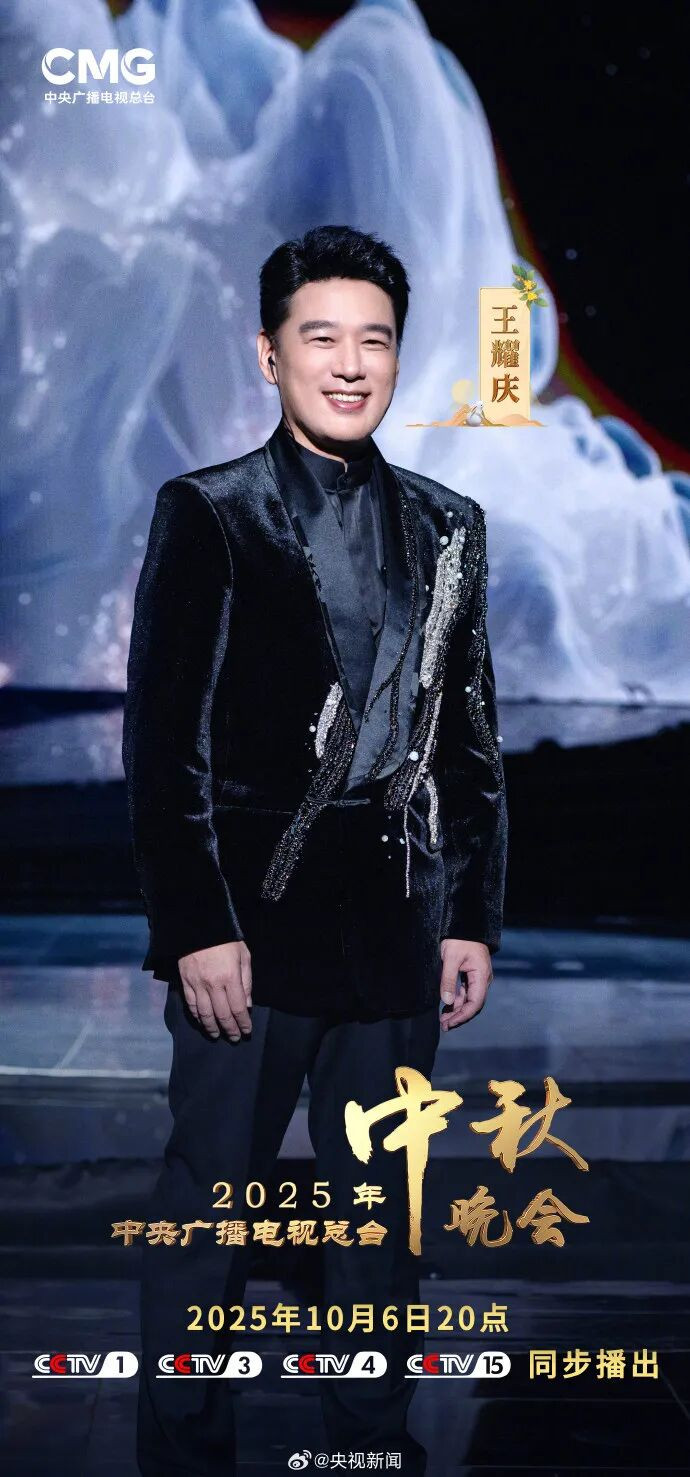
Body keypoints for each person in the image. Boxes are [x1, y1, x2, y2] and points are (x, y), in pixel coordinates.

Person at [122, 224, 508, 1476]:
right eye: (321, 337)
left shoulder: (450, 524)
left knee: (379, 1221)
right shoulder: (211, 513)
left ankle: (371, 1448)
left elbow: (471, 741)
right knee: (210, 1215)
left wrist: (471, 915)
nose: (350, 364)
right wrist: (197, 926)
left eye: (374, 340)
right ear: (270, 353)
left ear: (399, 355)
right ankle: (186, 1452)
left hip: (395, 932)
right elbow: (163, 742)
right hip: (248, 934)